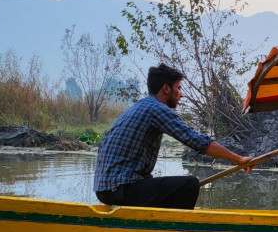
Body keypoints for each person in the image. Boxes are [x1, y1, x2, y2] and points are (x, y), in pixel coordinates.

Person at [94, 63, 252, 209]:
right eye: (179, 87)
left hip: (108, 187)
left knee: (167, 186)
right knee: (189, 184)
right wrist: (238, 159)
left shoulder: (141, 105)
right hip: (118, 187)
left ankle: (155, 225)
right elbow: (196, 141)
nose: (181, 94)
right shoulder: (156, 109)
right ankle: (174, 231)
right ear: (166, 89)